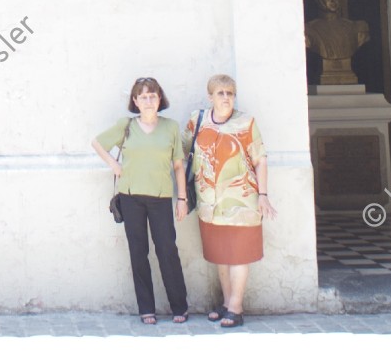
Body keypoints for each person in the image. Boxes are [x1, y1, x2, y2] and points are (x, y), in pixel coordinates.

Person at [92, 76, 190, 325]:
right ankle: (146, 308)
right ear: (135, 100)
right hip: (131, 197)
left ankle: (180, 306)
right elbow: (97, 142)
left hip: (161, 197)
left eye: (153, 96)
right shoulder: (126, 125)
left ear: (160, 99)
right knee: (138, 252)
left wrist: (182, 198)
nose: (148, 100)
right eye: (143, 96)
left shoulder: (170, 127)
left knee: (167, 250)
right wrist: (113, 163)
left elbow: (178, 166)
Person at [185, 73, 275, 328]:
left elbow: (261, 159)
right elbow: (181, 154)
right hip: (209, 203)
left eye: (230, 93)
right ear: (210, 96)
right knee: (221, 255)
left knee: (239, 255)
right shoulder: (197, 121)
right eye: (221, 93)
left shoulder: (245, 123)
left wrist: (264, 196)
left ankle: (236, 307)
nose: (226, 98)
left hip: (242, 200)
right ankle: (226, 303)